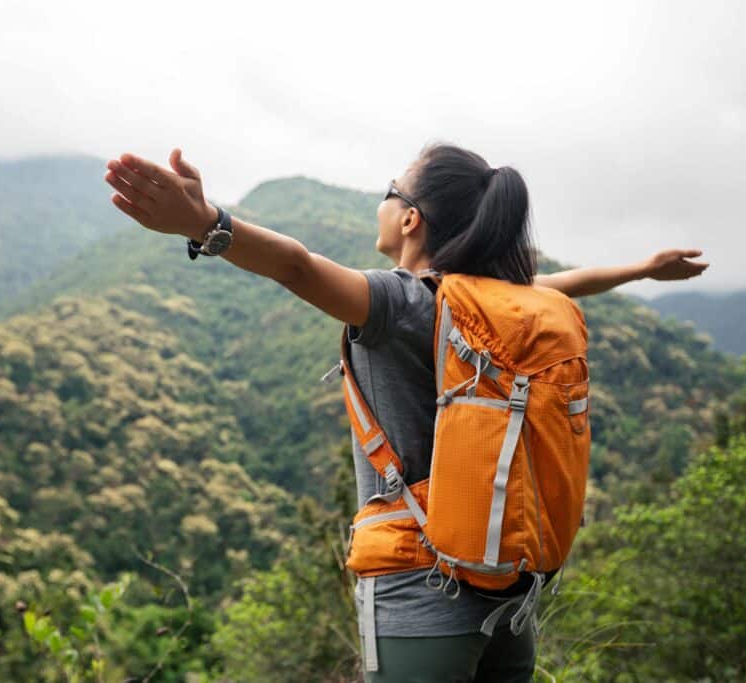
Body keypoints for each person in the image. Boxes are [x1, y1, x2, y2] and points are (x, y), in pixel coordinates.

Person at [103, 142, 708, 683]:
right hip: (509, 595)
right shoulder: (502, 305)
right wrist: (643, 270)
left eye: (390, 189)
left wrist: (207, 225)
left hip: (422, 598)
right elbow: (562, 283)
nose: (382, 202)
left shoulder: (401, 302)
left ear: (411, 217)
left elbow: (295, 264)